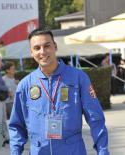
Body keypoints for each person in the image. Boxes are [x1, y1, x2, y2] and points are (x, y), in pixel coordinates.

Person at [9, 27, 109, 155]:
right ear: (31, 52)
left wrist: (103, 150)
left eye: (47, 46)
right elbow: (16, 126)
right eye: (37, 48)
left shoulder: (78, 78)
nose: (42, 52)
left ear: (55, 46)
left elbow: (96, 119)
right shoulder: (25, 85)